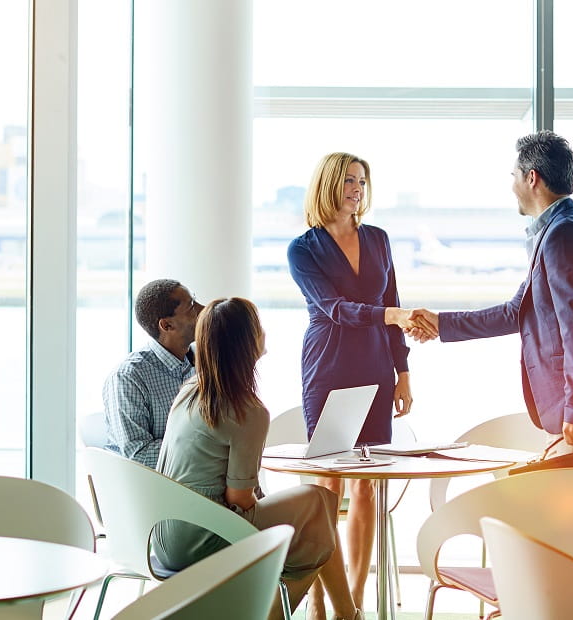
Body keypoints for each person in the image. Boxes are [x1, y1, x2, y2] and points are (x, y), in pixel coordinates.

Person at [408, 131, 573, 617]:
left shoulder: (565, 236)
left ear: (532, 178)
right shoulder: (561, 229)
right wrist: (442, 326)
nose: (512, 184)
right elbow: (519, 311)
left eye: (514, 175)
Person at [153, 298, 359, 620]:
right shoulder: (246, 410)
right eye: (258, 326)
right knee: (319, 503)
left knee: (317, 515)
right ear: (247, 342)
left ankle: (342, 614)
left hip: (163, 534)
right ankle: (331, 614)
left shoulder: (190, 391)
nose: (264, 332)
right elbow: (239, 500)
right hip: (204, 537)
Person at [286, 152, 419, 609]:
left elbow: (393, 304)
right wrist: (391, 314)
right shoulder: (303, 249)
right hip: (329, 366)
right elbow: (335, 310)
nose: (356, 188)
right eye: (348, 180)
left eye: (362, 180)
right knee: (328, 487)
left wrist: (403, 372)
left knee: (368, 485)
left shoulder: (379, 239)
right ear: (327, 184)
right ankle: (324, 601)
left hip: (377, 369)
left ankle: (354, 602)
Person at [103, 279, 203, 468]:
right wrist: (206, 449)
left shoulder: (203, 363)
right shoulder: (128, 377)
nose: (204, 309)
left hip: (196, 478)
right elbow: (138, 455)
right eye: (191, 307)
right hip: (150, 488)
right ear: (166, 325)